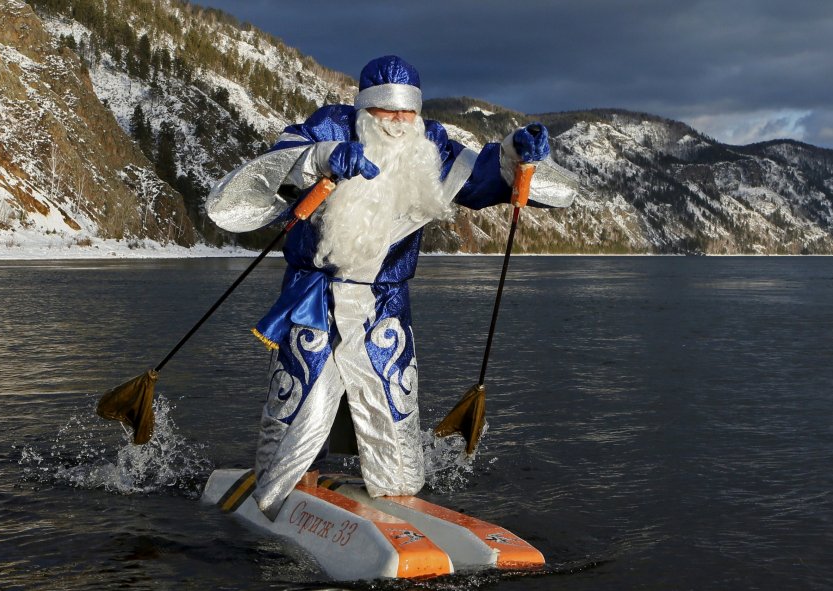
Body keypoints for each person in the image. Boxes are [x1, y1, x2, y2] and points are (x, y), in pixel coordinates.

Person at [206, 55, 569, 519]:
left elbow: (481, 181)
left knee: (392, 411)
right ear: (365, 110)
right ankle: (288, 493)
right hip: (318, 297)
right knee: (302, 404)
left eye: (407, 113)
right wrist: (320, 159)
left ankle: (398, 501)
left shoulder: (430, 142)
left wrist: (515, 154)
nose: (399, 123)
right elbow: (266, 173)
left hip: (385, 304)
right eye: (387, 113)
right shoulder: (329, 125)